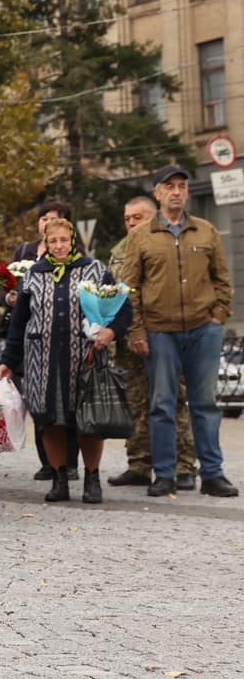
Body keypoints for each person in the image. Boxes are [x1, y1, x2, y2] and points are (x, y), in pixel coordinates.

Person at [118, 164, 236, 498]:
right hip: (159, 332)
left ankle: (212, 474)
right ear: (157, 193)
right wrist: (137, 331)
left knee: (205, 404)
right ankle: (165, 474)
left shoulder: (206, 231)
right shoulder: (141, 237)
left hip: (203, 329)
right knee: (162, 405)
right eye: (169, 186)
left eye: (182, 186)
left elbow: (222, 280)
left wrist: (218, 316)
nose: (177, 191)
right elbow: (130, 288)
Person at [0, 216, 131, 503]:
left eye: (64, 240)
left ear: (73, 241)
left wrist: (111, 331)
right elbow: (19, 322)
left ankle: (92, 478)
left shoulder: (94, 270)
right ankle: (59, 479)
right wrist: (8, 359)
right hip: (41, 362)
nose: (59, 246)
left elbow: (123, 309)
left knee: (87, 422)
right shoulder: (34, 273)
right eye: (53, 241)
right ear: (45, 244)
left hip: (84, 359)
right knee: (50, 421)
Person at [109, 193, 195, 488]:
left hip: (164, 334)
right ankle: (140, 464)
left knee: (174, 399)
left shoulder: (167, 242)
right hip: (129, 341)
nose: (132, 223)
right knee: (136, 402)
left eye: (138, 217)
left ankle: (184, 467)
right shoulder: (119, 250)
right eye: (127, 219)